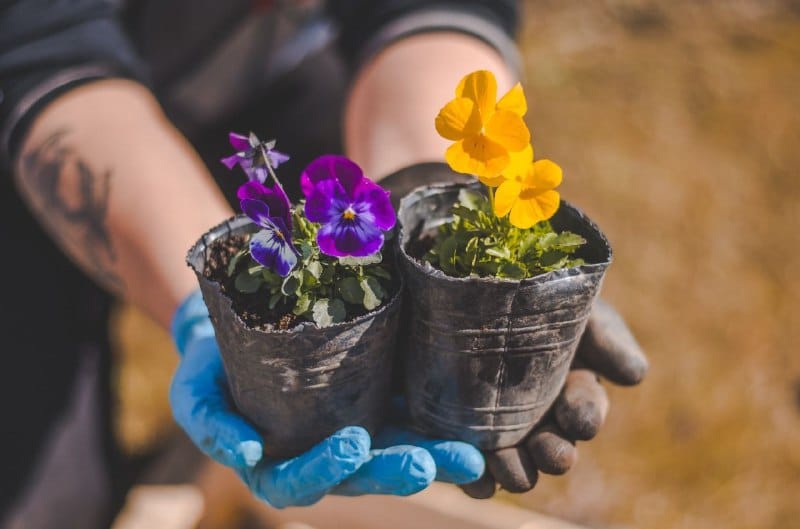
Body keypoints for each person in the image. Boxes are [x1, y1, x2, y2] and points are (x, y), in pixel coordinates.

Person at [0, 1, 648, 527]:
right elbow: (44, 54)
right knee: (39, 504)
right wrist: (211, 312)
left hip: (277, 67)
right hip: (59, 126)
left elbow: (430, 9)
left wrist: (422, 185)